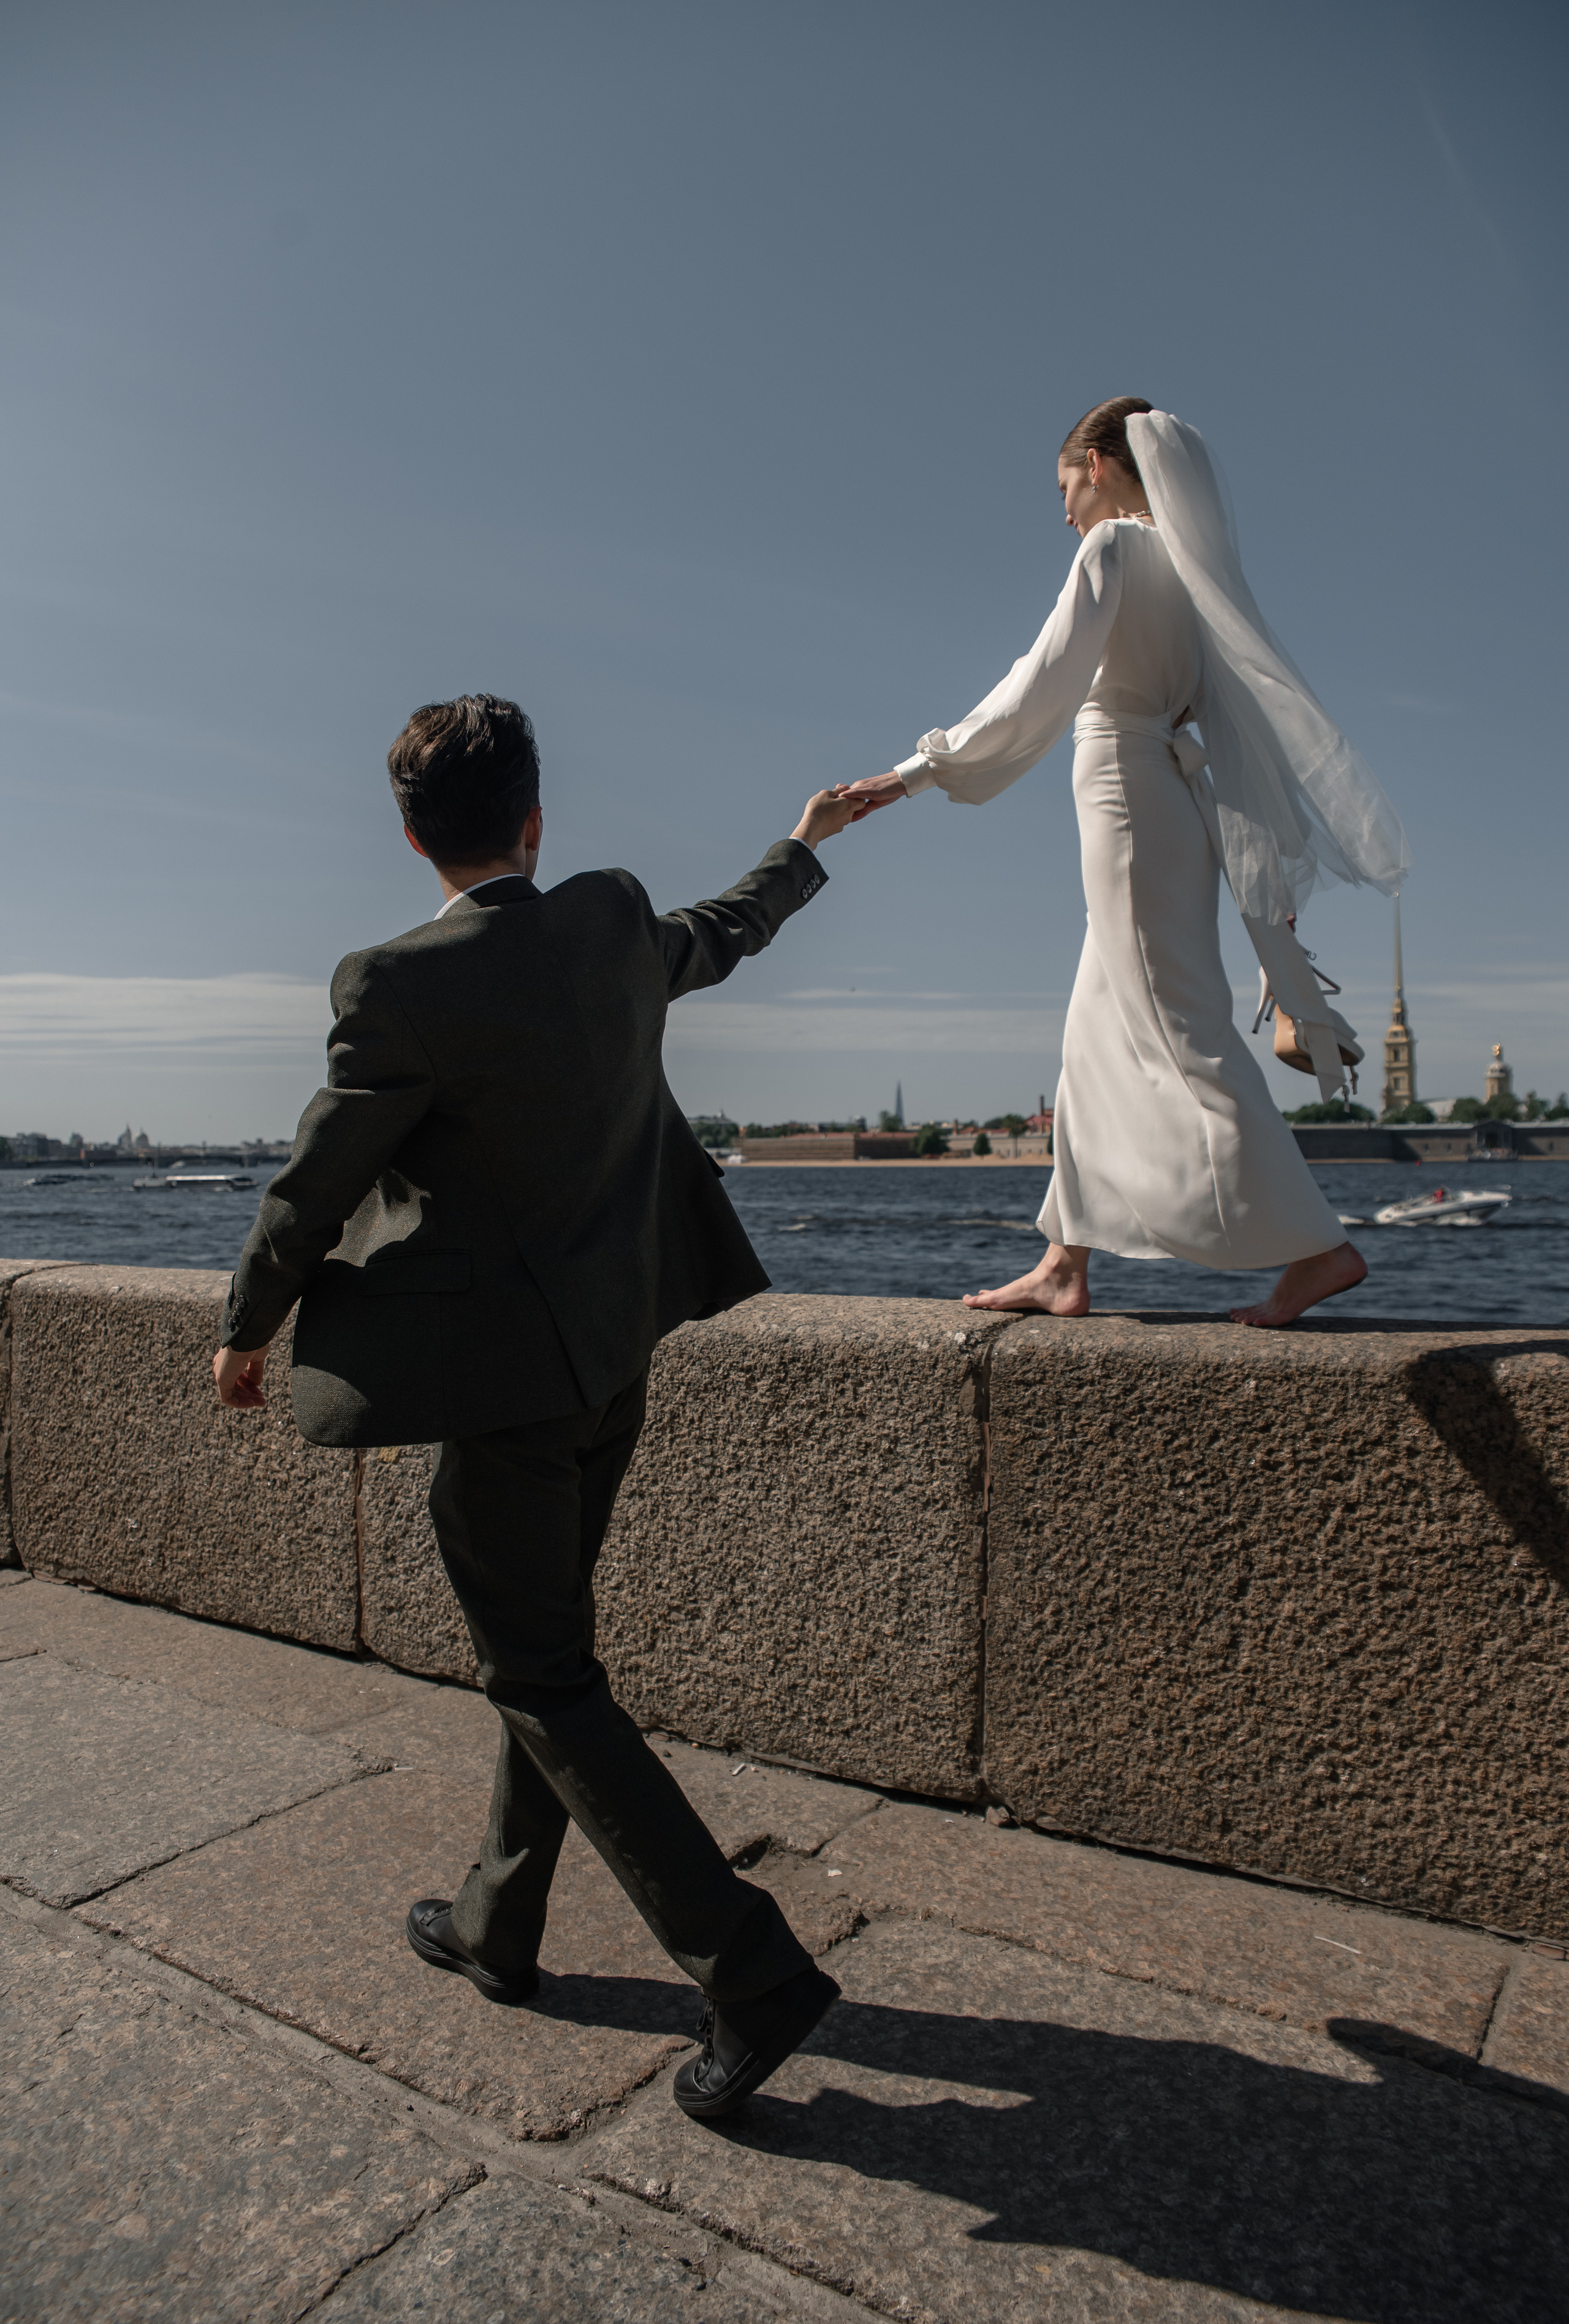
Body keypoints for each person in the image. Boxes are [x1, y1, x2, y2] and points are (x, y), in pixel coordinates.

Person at [212, 694, 865, 2119]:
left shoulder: (396, 986)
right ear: (535, 821)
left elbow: (314, 1185)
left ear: (407, 836)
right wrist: (800, 844)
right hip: (613, 1360)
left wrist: (246, 1331)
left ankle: (750, 1973)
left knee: (543, 1677)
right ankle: (499, 1924)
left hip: (503, 1393)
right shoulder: (611, 925)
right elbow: (724, 928)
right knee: (546, 1660)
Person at [838, 401, 1408, 1327]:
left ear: (1100, 464)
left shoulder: (1112, 551)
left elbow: (1040, 679)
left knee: (1182, 1029)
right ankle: (1065, 1262)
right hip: (1169, 802)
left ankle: (1319, 1247)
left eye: (1064, 488)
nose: (1063, 513)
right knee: (1092, 1037)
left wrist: (917, 772)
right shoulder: (1194, 570)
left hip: (1127, 796)